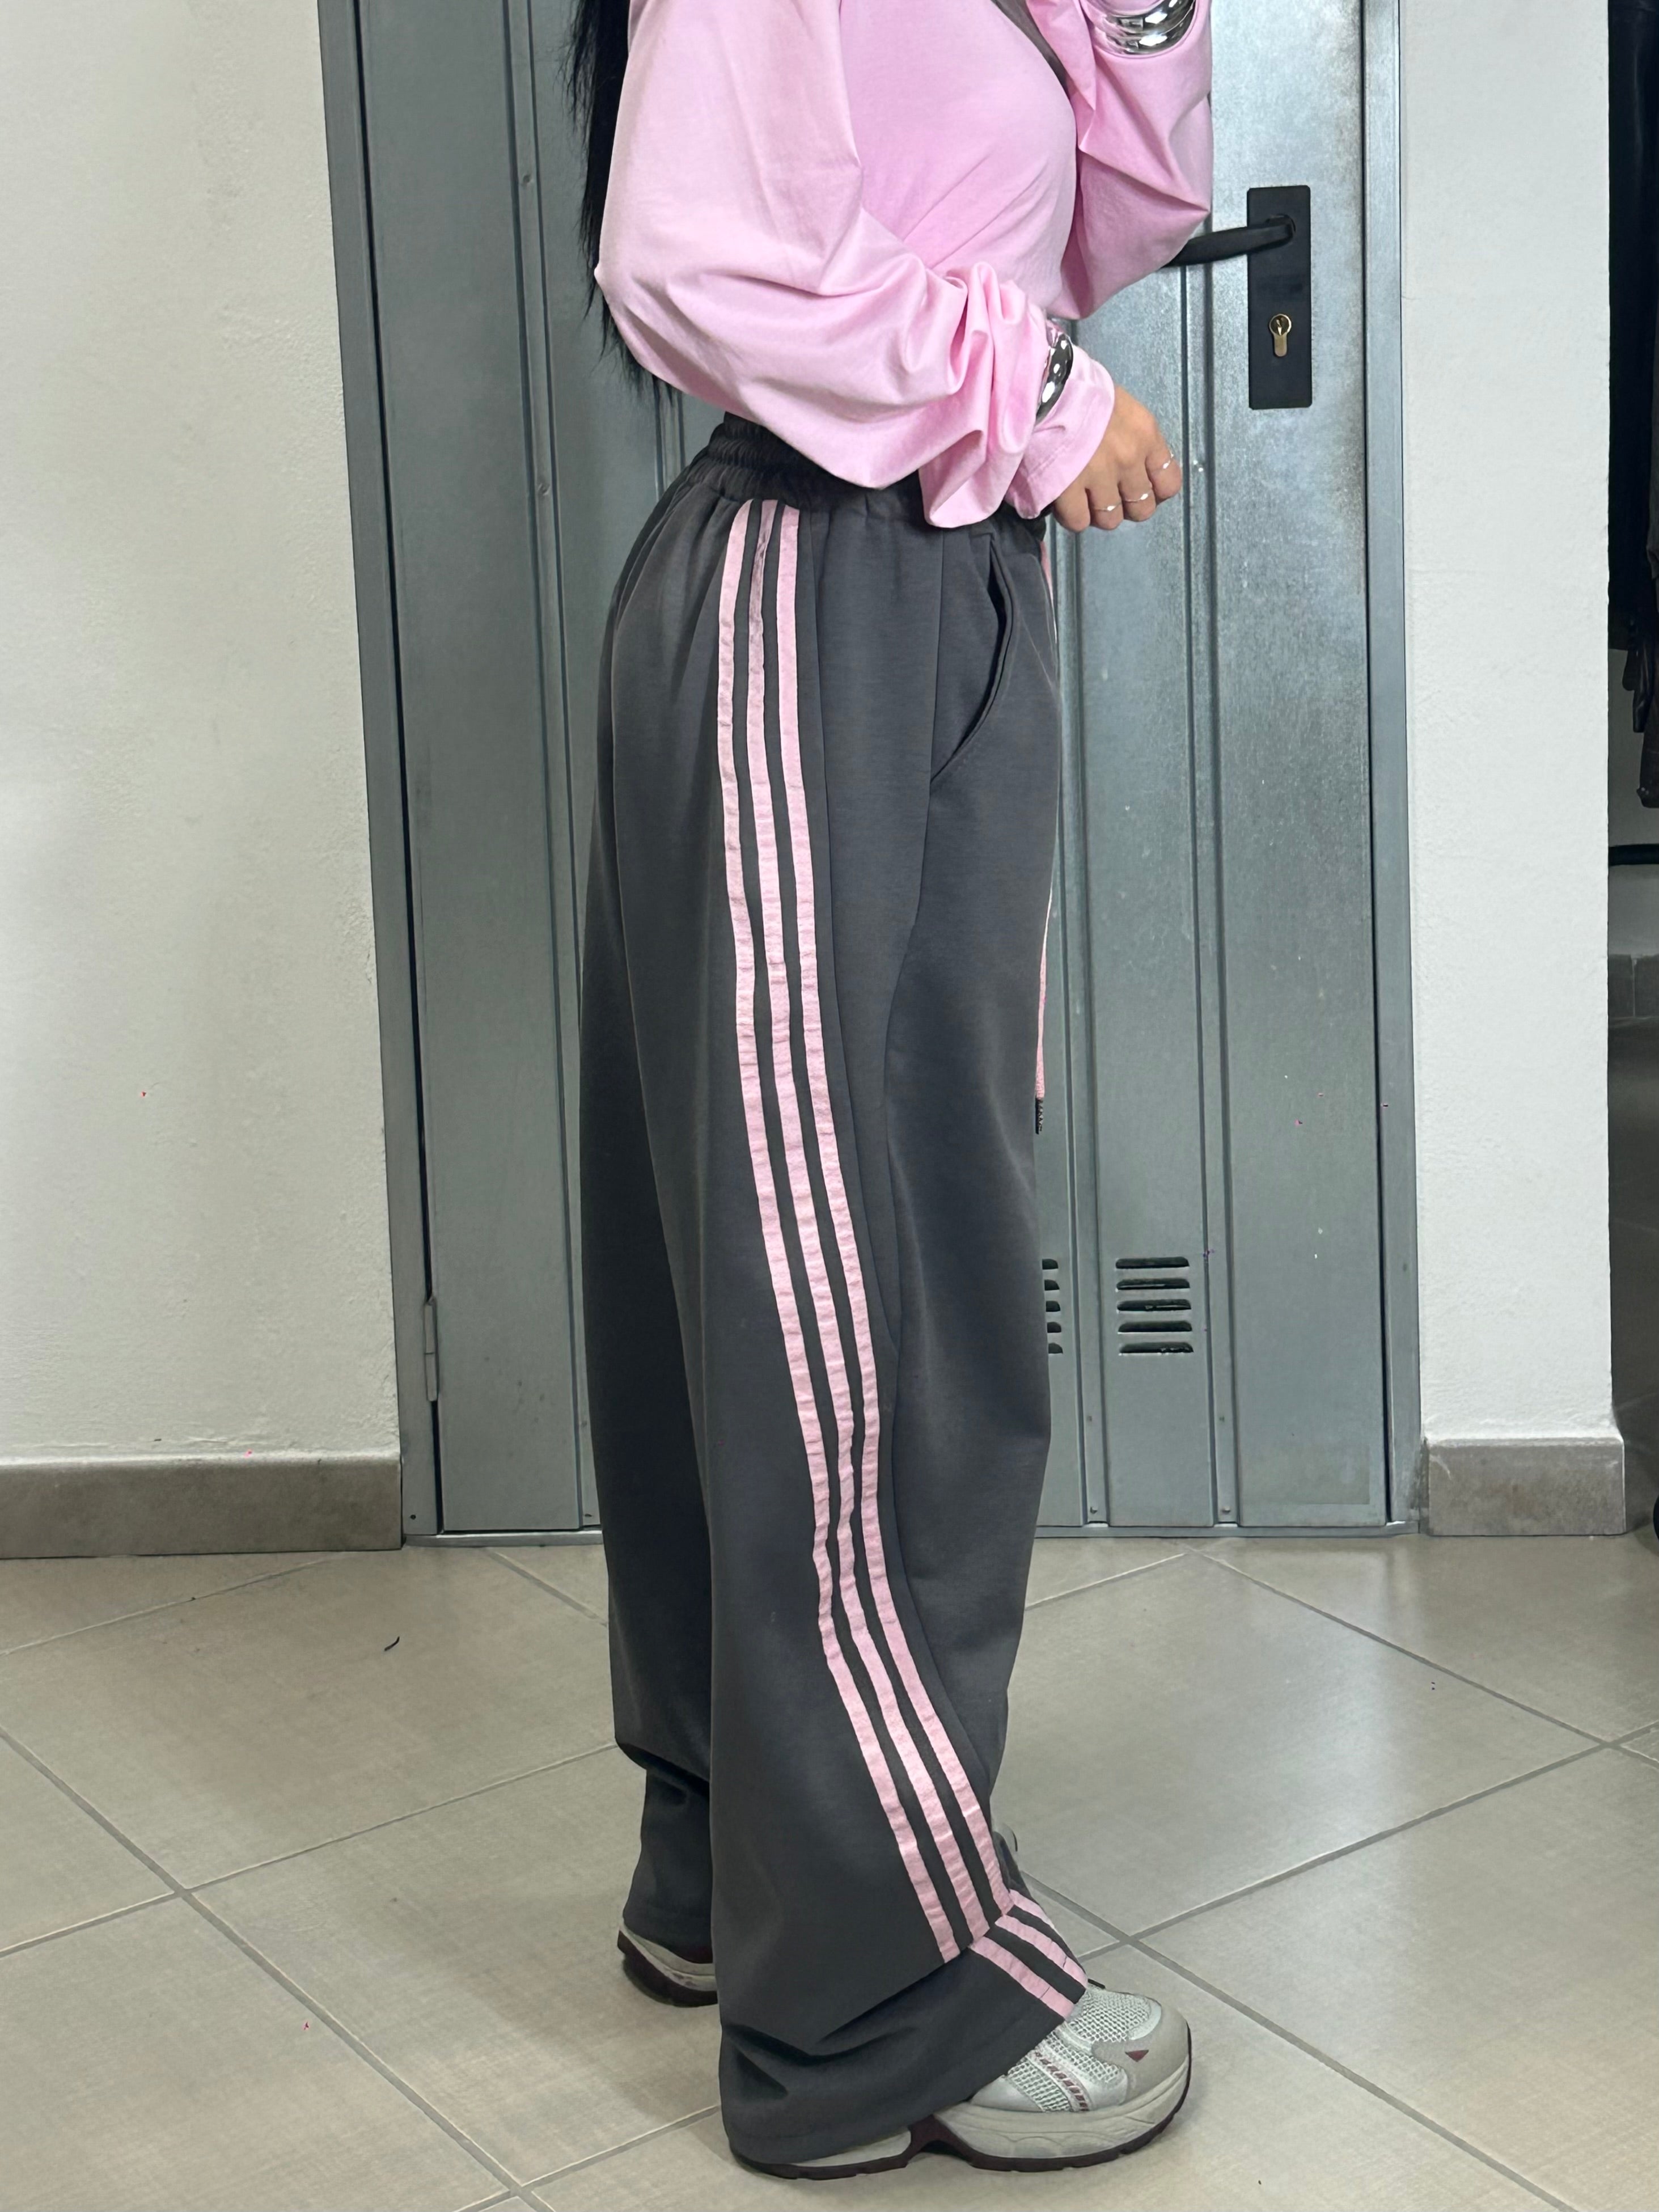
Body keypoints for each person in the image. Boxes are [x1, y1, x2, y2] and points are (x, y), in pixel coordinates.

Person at [572, 0, 1212, 2178]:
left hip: (914, 587)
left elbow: (1120, 210)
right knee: (856, 1313)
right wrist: (1037, 395)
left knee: (819, 1270)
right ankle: (877, 2003)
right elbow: (686, 250)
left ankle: (729, 1873)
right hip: (818, 571)